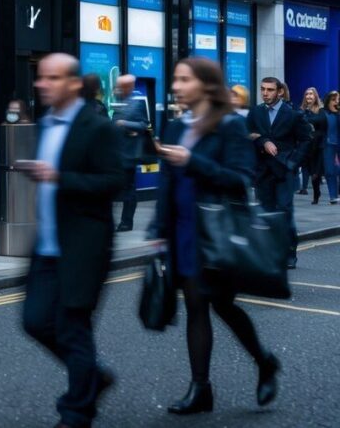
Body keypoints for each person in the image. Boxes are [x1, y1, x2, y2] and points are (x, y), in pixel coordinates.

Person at [150, 58, 280, 415]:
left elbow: (240, 178)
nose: (176, 86)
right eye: (174, 79)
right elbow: (167, 182)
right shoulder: (176, 126)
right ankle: (201, 388)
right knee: (196, 305)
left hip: (217, 231)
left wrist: (192, 161)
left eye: (183, 79)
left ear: (206, 85)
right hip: (183, 231)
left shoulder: (229, 126)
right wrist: (157, 230)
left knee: (219, 304)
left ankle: (264, 361)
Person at [18, 53, 121, 428]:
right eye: (41, 77)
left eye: (53, 78)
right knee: (34, 321)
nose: (42, 84)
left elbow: (115, 182)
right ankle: (92, 376)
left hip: (83, 248)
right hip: (46, 245)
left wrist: (59, 177)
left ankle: (76, 412)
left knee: (74, 330)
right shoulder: (45, 124)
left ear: (74, 83)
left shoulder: (98, 127)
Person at [247, 77, 311, 269]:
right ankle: (270, 251)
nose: (265, 93)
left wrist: (293, 163)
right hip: (263, 171)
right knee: (265, 213)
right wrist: (263, 142)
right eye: (262, 89)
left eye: (270, 90)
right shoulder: (255, 112)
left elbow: (306, 140)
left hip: (284, 171)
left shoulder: (292, 114)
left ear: (280, 92)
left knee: (284, 212)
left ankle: (290, 253)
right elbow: (248, 135)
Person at [110, 74, 149, 232]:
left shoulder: (137, 103)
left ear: (129, 87)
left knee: (129, 189)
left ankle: (126, 222)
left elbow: (144, 125)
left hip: (129, 154)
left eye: (121, 86)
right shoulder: (119, 102)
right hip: (117, 153)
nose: (118, 89)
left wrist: (125, 124)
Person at [299, 87, 326, 202]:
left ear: (315, 96)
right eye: (306, 94)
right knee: (306, 168)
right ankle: (304, 188)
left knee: (316, 172)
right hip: (306, 144)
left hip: (318, 145)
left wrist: (308, 117)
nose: (308, 96)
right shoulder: (302, 110)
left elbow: (319, 121)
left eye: (311, 94)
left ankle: (316, 193)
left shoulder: (321, 110)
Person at [323, 91, 340, 205]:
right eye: (334, 100)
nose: (336, 102)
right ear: (328, 101)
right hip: (328, 145)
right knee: (330, 171)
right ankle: (333, 196)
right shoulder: (323, 113)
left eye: (338, 100)